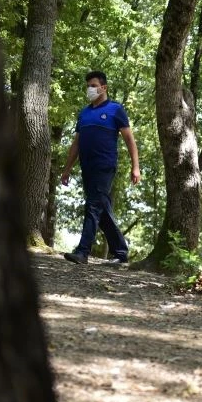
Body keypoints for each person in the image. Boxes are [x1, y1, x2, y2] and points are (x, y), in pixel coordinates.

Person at [61, 71, 141, 265]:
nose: (89, 89)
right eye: (88, 85)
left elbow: (129, 139)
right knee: (101, 208)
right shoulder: (84, 113)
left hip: (105, 165)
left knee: (93, 206)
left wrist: (135, 166)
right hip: (87, 167)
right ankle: (121, 252)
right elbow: (76, 143)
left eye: (93, 85)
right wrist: (67, 168)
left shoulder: (115, 109)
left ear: (103, 87)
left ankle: (82, 251)